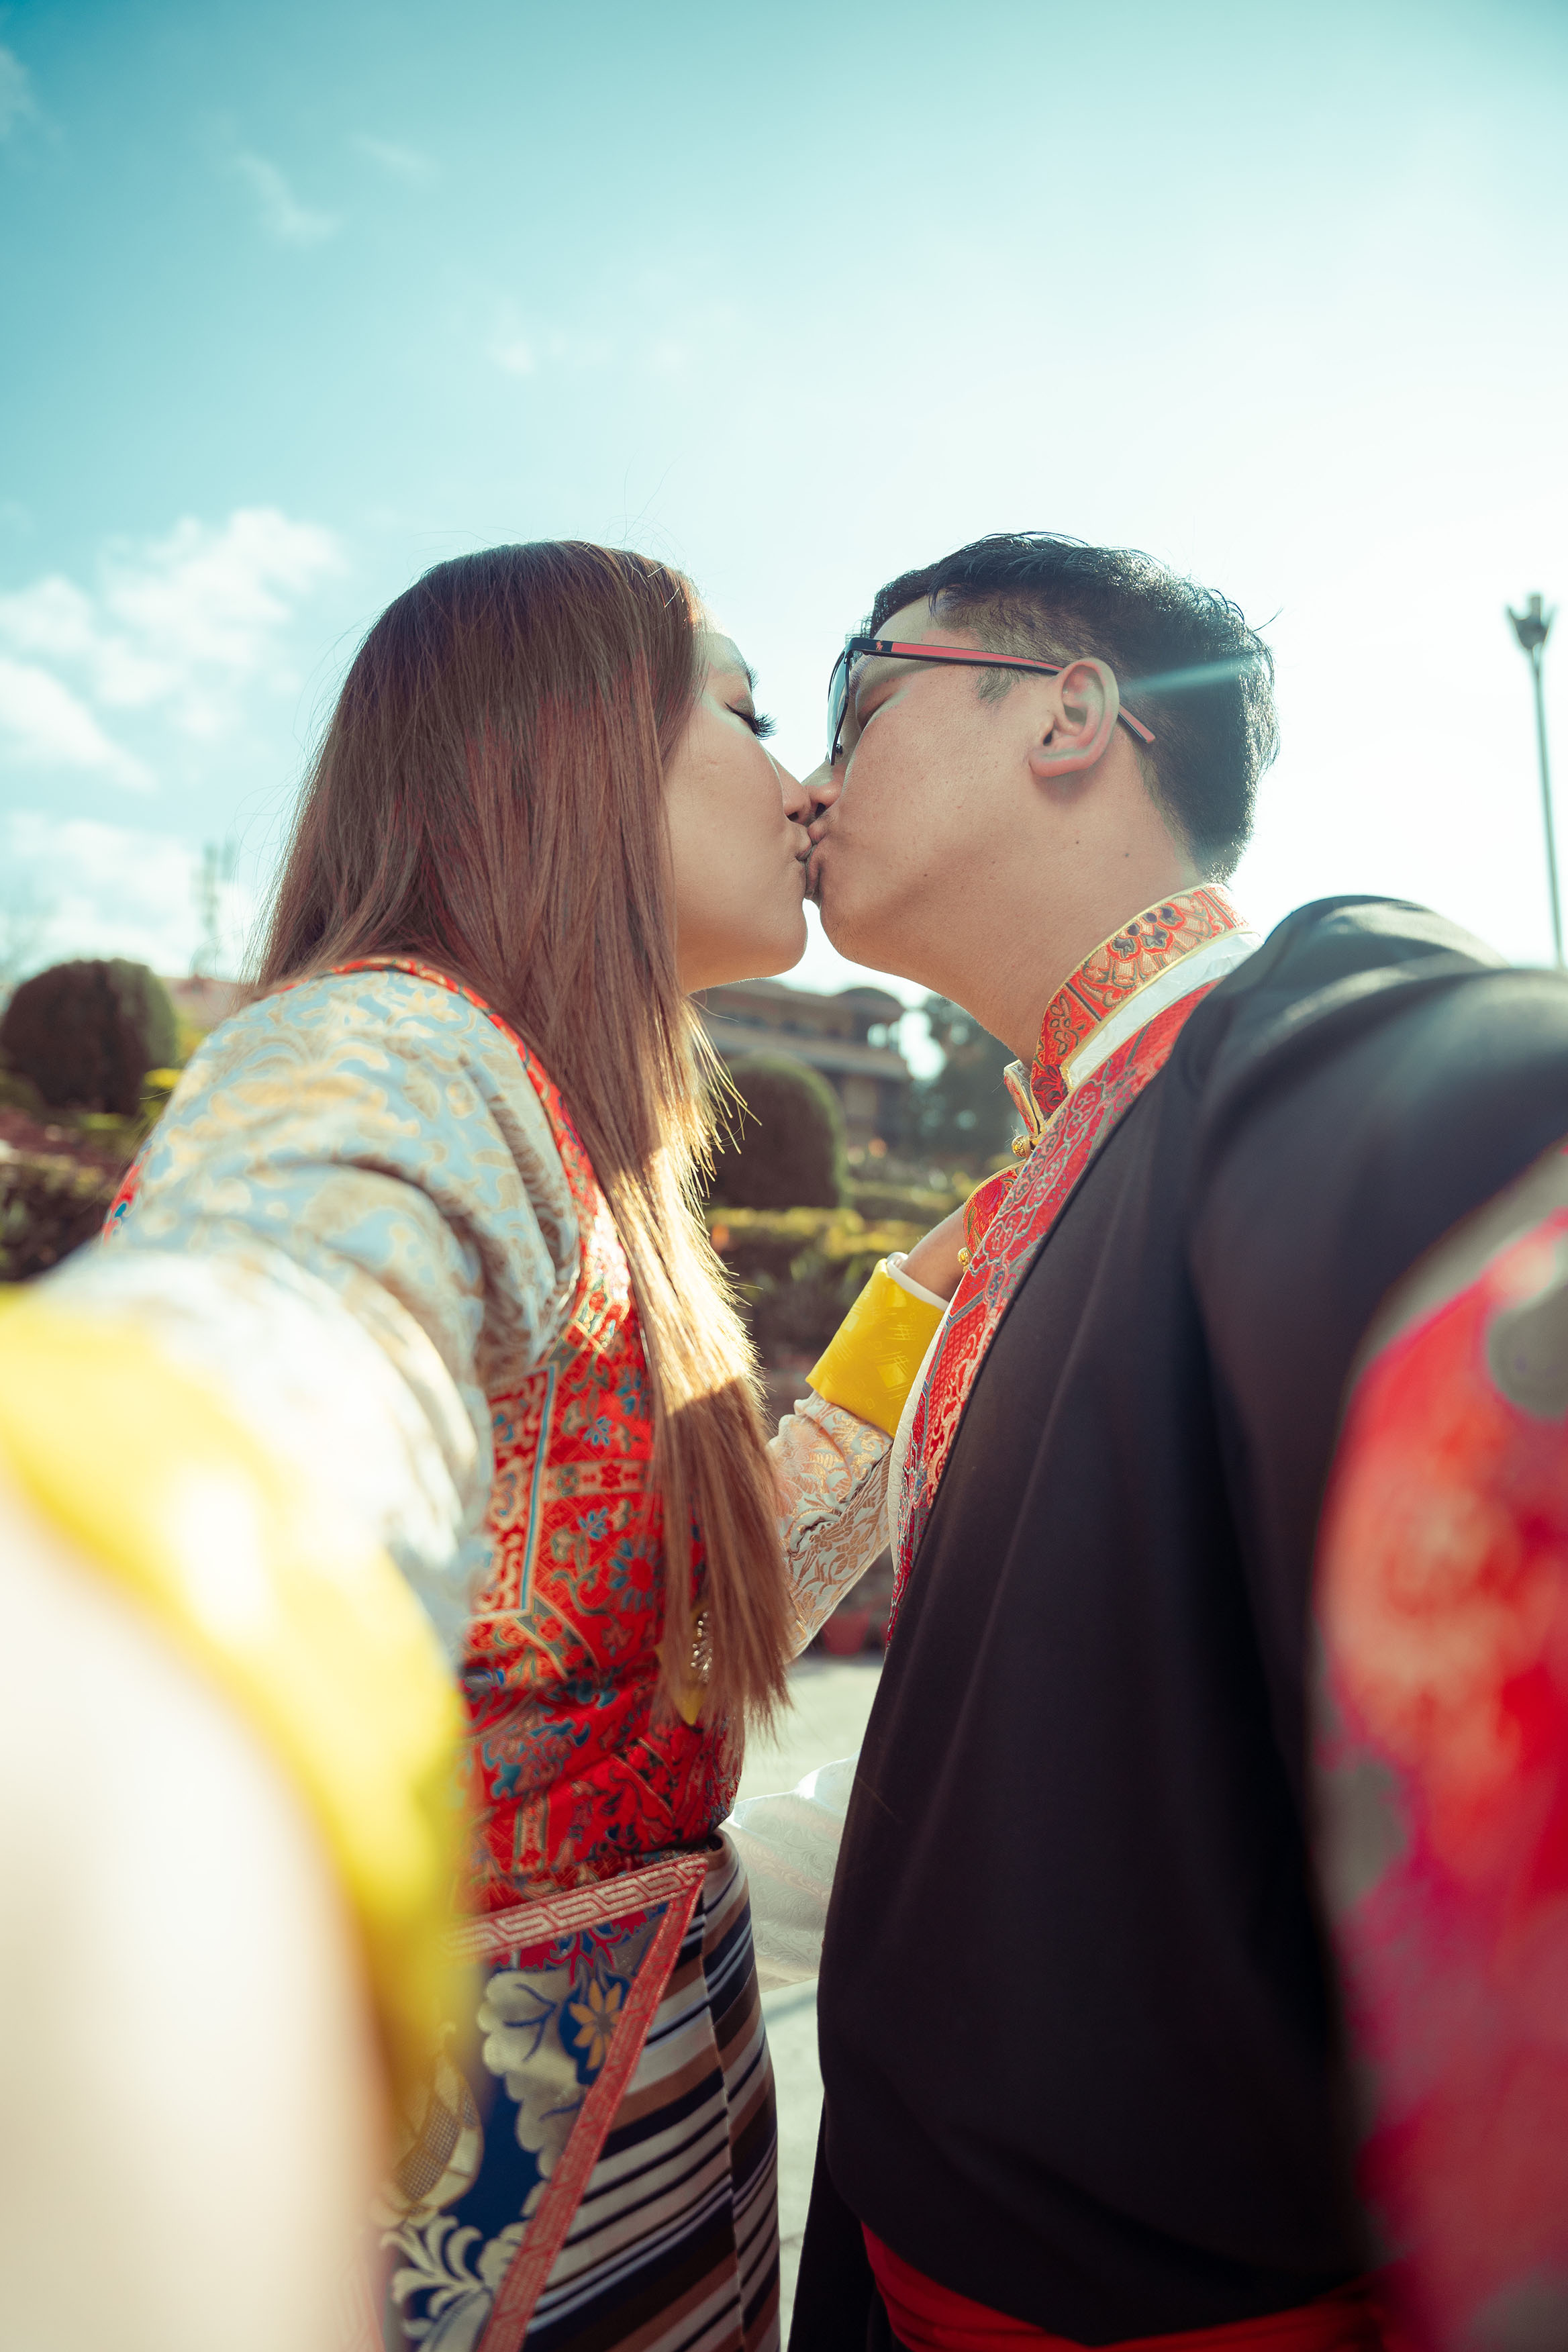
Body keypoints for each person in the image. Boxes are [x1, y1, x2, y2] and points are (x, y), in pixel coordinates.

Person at [0, 542, 961, 2352]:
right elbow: (293, 1315)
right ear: (566, 748)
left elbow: (678, 1637)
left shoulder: (586, 1130)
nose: (804, 783)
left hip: (648, 2207)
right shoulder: (397, 1044)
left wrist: (924, 1299)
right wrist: (125, 1570)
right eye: (747, 714)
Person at [751, 532, 1568, 2352]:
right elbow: (1017, 1735)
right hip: (878, 2253)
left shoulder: (1283, 1025)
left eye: (855, 707)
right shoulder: (1026, 1186)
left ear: (1070, 715)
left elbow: (1477, 1116)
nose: (808, 784)